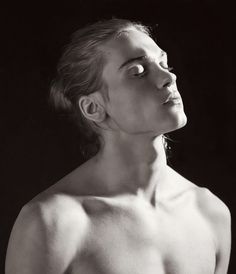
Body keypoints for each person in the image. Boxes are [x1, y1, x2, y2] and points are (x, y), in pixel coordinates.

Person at [5, 18, 231, 274]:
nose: (169, 77)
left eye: (164, 63)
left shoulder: (210, 213)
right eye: (138, 72)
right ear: (94, 108)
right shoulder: (52, 224)